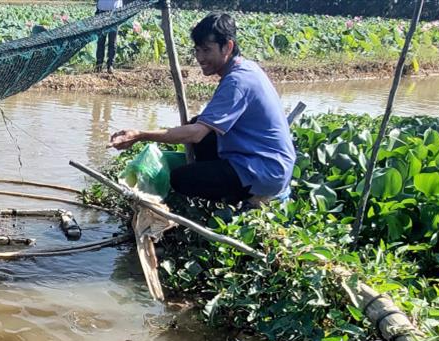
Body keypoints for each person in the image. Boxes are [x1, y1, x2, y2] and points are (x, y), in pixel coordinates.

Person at [109, 12, 295, 204]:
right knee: (198, 124)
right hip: (268, 163)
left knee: (182, 179)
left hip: (265, 172)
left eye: (207, 50)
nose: (200, 58)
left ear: (228, 47)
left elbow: (196, 134)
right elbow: (200, 128)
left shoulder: (237, 82)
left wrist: (139, 135)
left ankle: (245, 199)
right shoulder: (246, 68)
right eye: (197, 50)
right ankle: (224, 183)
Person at [95, 0, 123, 73]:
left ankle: (110, 65)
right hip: (101, 12)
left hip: (115, 13)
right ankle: (99, 65)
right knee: (101, 41)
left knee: (112, 41)